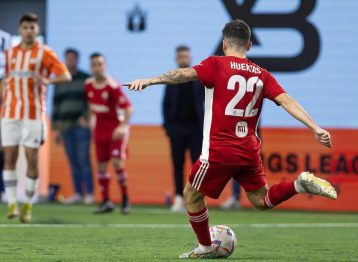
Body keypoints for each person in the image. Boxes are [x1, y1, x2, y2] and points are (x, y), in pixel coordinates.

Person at [123, 19, 336, 259]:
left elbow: (185, 74)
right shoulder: (262, 74)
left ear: (224, 44)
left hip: (219, 150)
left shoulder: (215, 64)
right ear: (250, 45)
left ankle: (205, 247)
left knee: (191, 196)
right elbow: (286, 101)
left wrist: (150, 80)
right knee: (260, 200)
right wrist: (315, 128)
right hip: (248, 150)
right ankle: (298, 184)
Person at [0, 13, 71, 223]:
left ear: (37, 30)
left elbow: (65, 75)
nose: (29, 31)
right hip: (10, 113)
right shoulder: (11, 53)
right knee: (10, 157)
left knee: (31, 158)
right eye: (25, 27)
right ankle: (12, 203)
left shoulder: (44, 52)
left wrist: (47, 81)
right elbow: (7, 77)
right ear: (20, 29)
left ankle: (28, 204)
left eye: (32, 27)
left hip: (33, 114)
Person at [84, 53, 133, 214]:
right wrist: (90, 124)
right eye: (94, 64)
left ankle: (125, 199)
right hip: (99, 131)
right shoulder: (88, 85)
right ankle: (106, 201)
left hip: (115, 130)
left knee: (117, 163)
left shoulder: (112, 86)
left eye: (100, 64)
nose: (97, 67)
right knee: (101, 166)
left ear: (105, 66)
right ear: (91, 67)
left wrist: (122, 127)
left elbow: (128, 107)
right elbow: (92, 106)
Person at [163, 46, 204, 212]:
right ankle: (179, 197)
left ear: (190, 58)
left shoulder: (198, 78)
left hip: (196, 129)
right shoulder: (171, 79)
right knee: (177, 165)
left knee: (198, 165)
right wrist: (168, 127)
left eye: (186, 56)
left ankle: (195, 199)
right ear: (176, 59)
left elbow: (205, 103)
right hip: (177, 129)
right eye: (180, 56)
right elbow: (165, 104)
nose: (183, 59)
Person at [53, 48, 94, 205]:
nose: (71, 61)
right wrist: (55, 128)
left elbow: (90, 101)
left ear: (77, 60)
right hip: (65, 127)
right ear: (65, 60)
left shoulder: (86, 78)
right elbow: (55, 104)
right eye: (68, 58)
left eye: (73, 59)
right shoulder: (60, 79)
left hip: (81, 126)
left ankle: (89, 194)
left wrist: (86, 117)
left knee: (84, 160)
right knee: (73, 161)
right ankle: (77, 193)